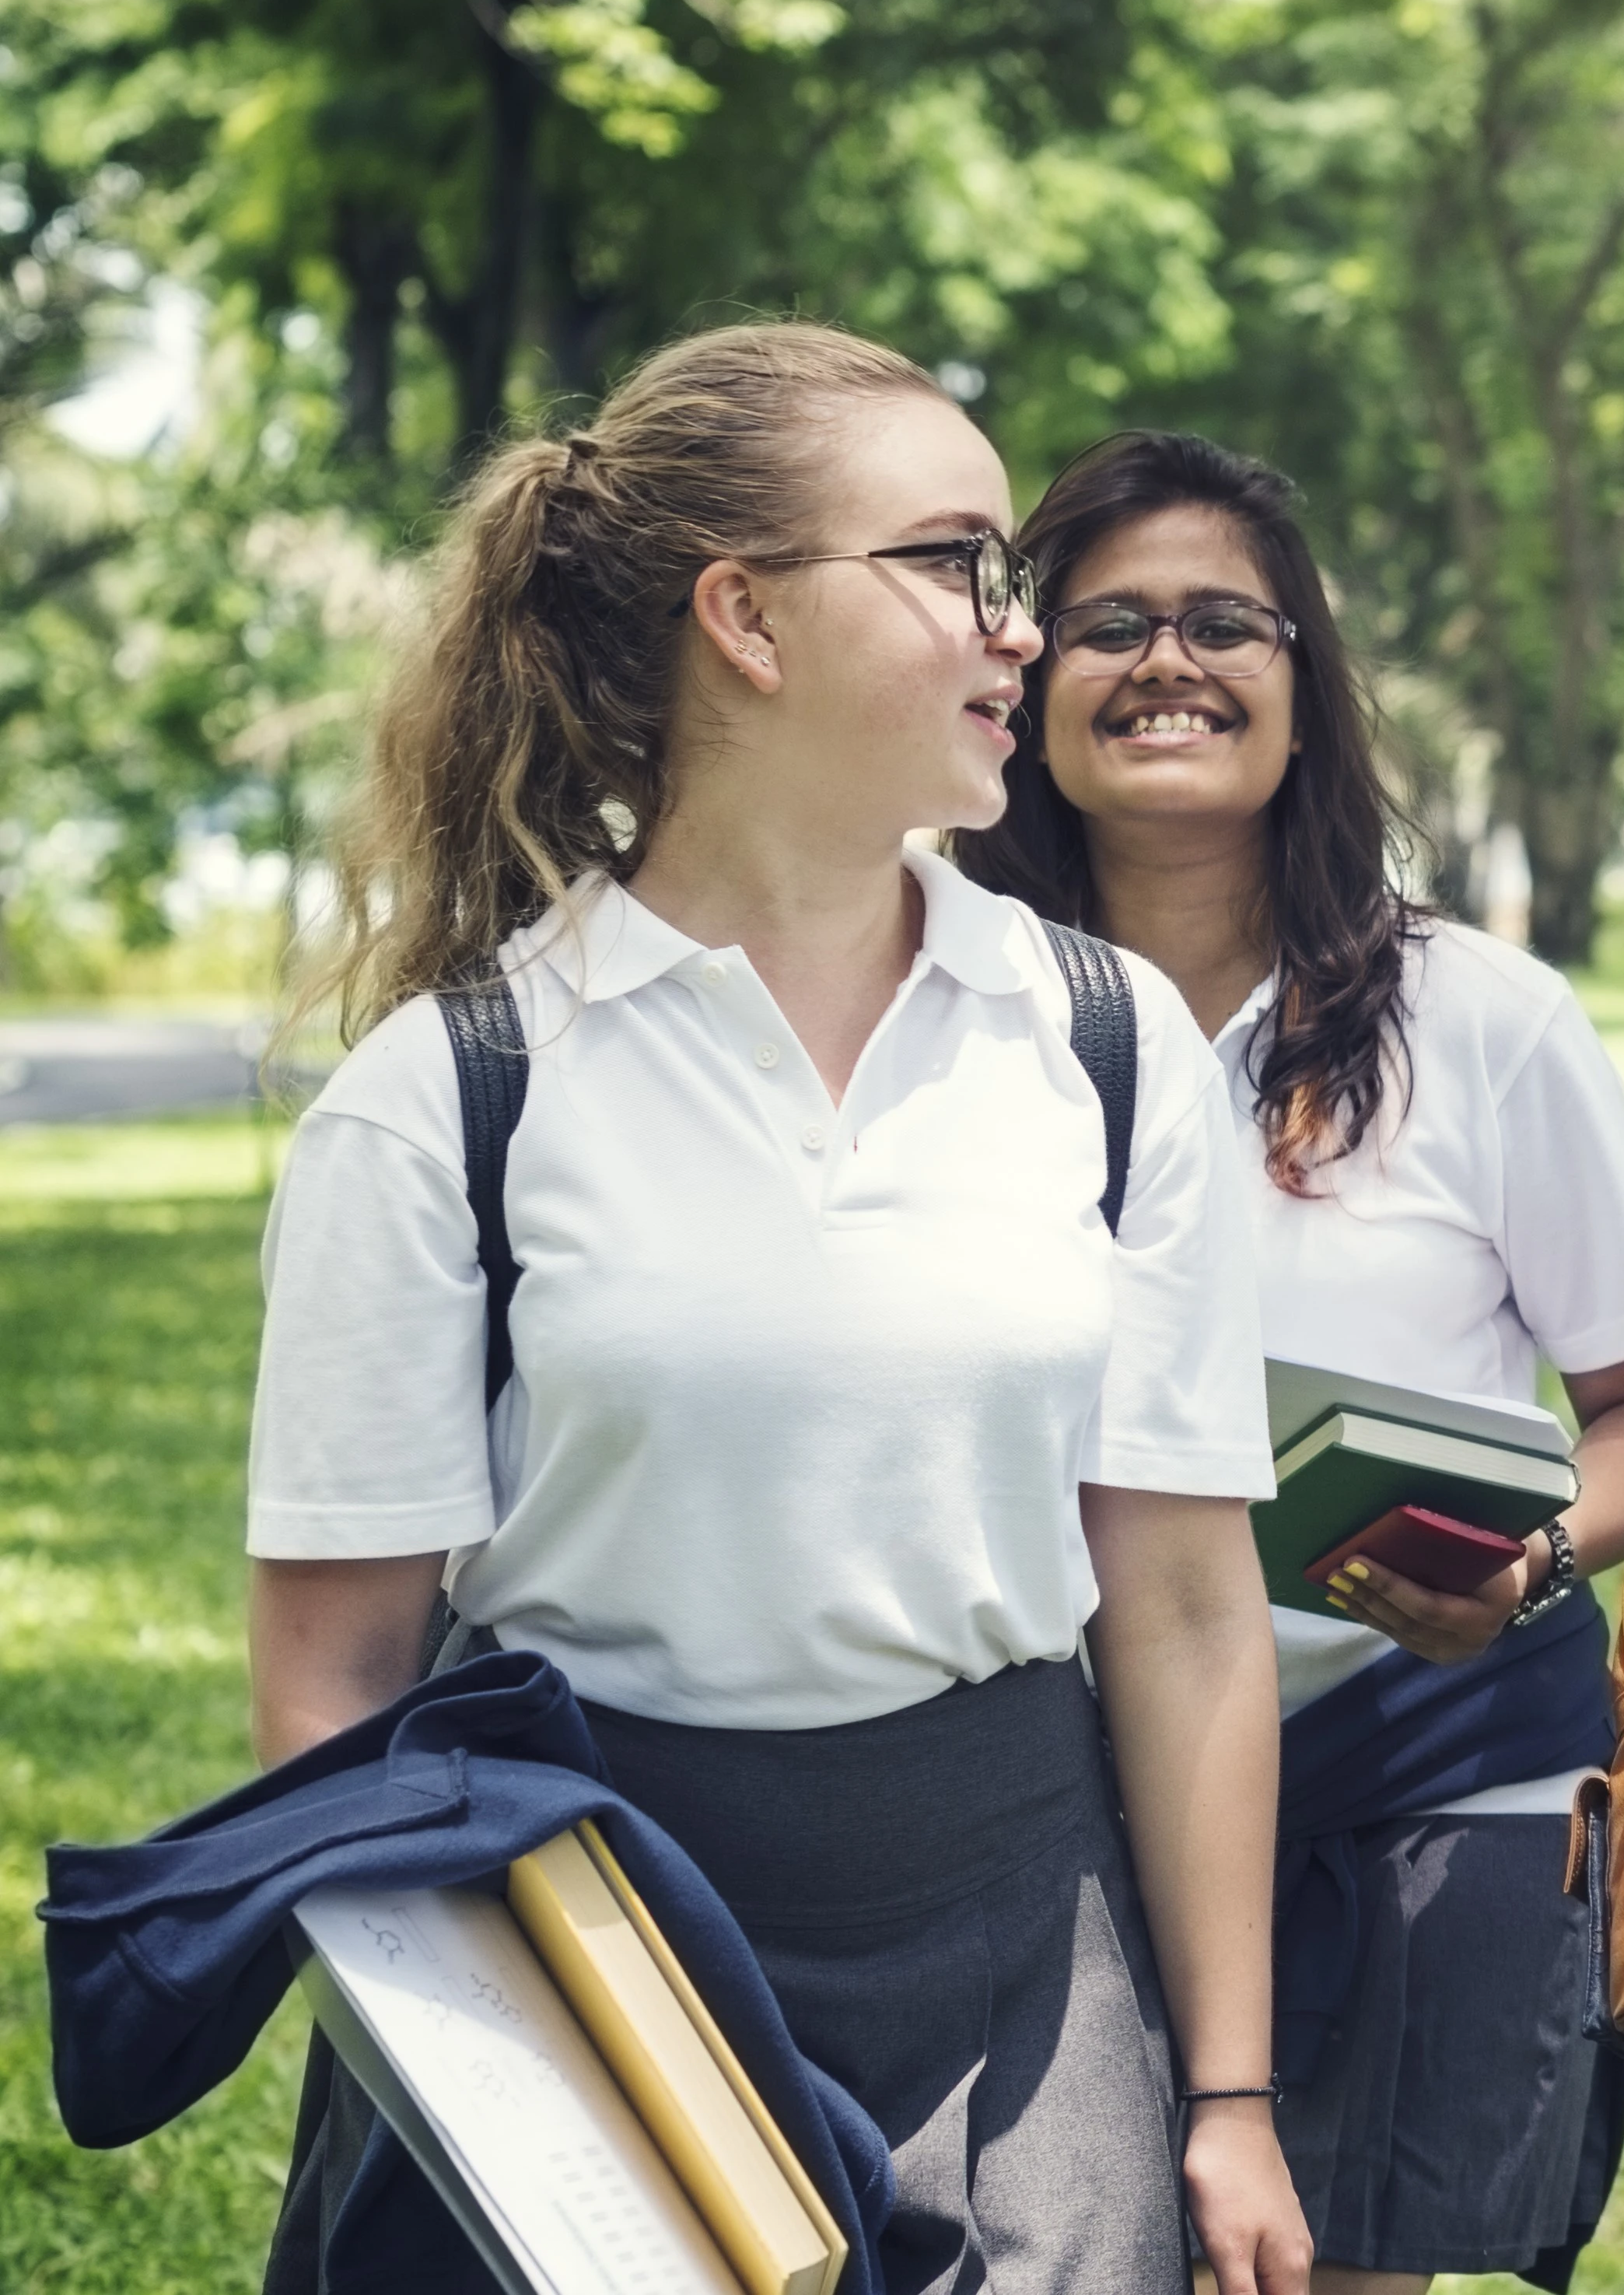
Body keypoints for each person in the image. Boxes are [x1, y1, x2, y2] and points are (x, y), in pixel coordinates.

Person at [244, 324, 1315, 2293]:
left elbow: (1180, 1606)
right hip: (579, 1933)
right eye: (956, 563)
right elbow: (337, 1679)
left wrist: (1229, 2095)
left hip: (1018, 1936)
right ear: (742, 616)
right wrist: (491, 2066)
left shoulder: (1106, 1044)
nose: (1024, 628)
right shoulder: (451, 1092)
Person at [954, 430, 1624, 2295]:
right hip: (1053, 1767)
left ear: (1306, 685)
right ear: (1025, 680)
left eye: (1227, 621)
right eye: (1108, 621)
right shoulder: (942, 1020)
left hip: (1432, 1763)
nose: (1167, 659)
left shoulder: (1486, 1022)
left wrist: (1528, 1562)